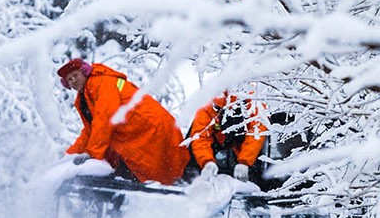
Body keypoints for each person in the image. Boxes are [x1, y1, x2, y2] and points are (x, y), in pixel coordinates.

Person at [58, 58, 187, 185]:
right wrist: (68, 156)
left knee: (156, 176)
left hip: (151, 129)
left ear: (85, 71)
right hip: (138, 133)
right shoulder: (84, 97)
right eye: (69, 79)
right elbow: (90, 131)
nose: (73, 80)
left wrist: (93, 153)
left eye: (75, 75)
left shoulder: (101, 82)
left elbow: (105, 118)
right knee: (140, 176)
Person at [187, 91, 267, 183]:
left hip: (242, 139)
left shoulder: (254, 100)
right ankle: (191, 181)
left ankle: (255, 185)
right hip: (217, 136)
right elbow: (200, 136)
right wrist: (206, 161)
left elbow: (256, 135)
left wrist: (245, 162)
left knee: (254, 168)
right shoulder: (207, 103)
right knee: (191, 143)